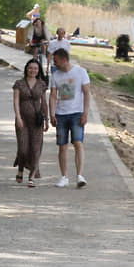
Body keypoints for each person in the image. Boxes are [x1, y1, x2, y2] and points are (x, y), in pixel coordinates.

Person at [48, 48, 90, 188]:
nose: (54, 63)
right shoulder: (55, 75)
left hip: (77, 112)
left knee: (78, 143)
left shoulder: (80, 72)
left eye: (56, 60)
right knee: (62, 146)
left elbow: (87, 93)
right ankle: (64, 176)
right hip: (61, 114)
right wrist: (52, 114)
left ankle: (79, 175)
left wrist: (85, 113)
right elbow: (53, 95)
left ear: (64, 59)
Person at [13, 58, 49, 187]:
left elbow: (44, 103)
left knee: (35, 149)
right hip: (23, 120)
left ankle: (32, 176)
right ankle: (21, 168)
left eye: (35, 68)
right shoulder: (19, 83)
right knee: (23, 148)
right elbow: (16, 101)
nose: (32, 70)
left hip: (37, 121)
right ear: (26, 69)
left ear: (38, 70)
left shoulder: (41, 84)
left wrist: (47, 120)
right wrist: (18, 117)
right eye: (30, 68)